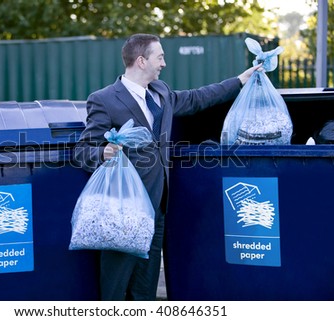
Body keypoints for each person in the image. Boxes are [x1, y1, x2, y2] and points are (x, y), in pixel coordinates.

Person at [73, 33, 261, 301]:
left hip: (158, 207)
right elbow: (82, 151)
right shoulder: (105, 99)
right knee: (115, 286)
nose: (163, 63)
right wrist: (102, 152)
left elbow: (198, 98)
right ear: (141, 61)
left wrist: (240, 81)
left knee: (146, 288)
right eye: (159, 57)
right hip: (123, 211)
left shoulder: (161, 92)